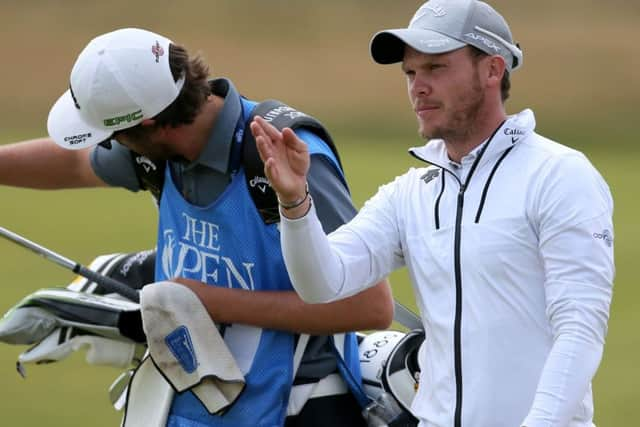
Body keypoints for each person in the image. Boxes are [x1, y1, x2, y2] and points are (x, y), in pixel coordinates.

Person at [0, 28, 395, 426]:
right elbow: (73, 162)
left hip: (299, 405)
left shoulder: (280, 152)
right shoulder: (156, 149)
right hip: (195, 405)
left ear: (151, 122)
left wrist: (201, 300)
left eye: (114, 136)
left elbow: (369, 305)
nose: (111, 147)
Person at [251, 0, 615, 426]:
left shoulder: (559, 175)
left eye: (436, 68)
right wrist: (295, 203)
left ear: (492, 70)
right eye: (410, 72)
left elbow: (580, 328)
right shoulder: (412, 193)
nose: (417, 86)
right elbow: (321, 283)